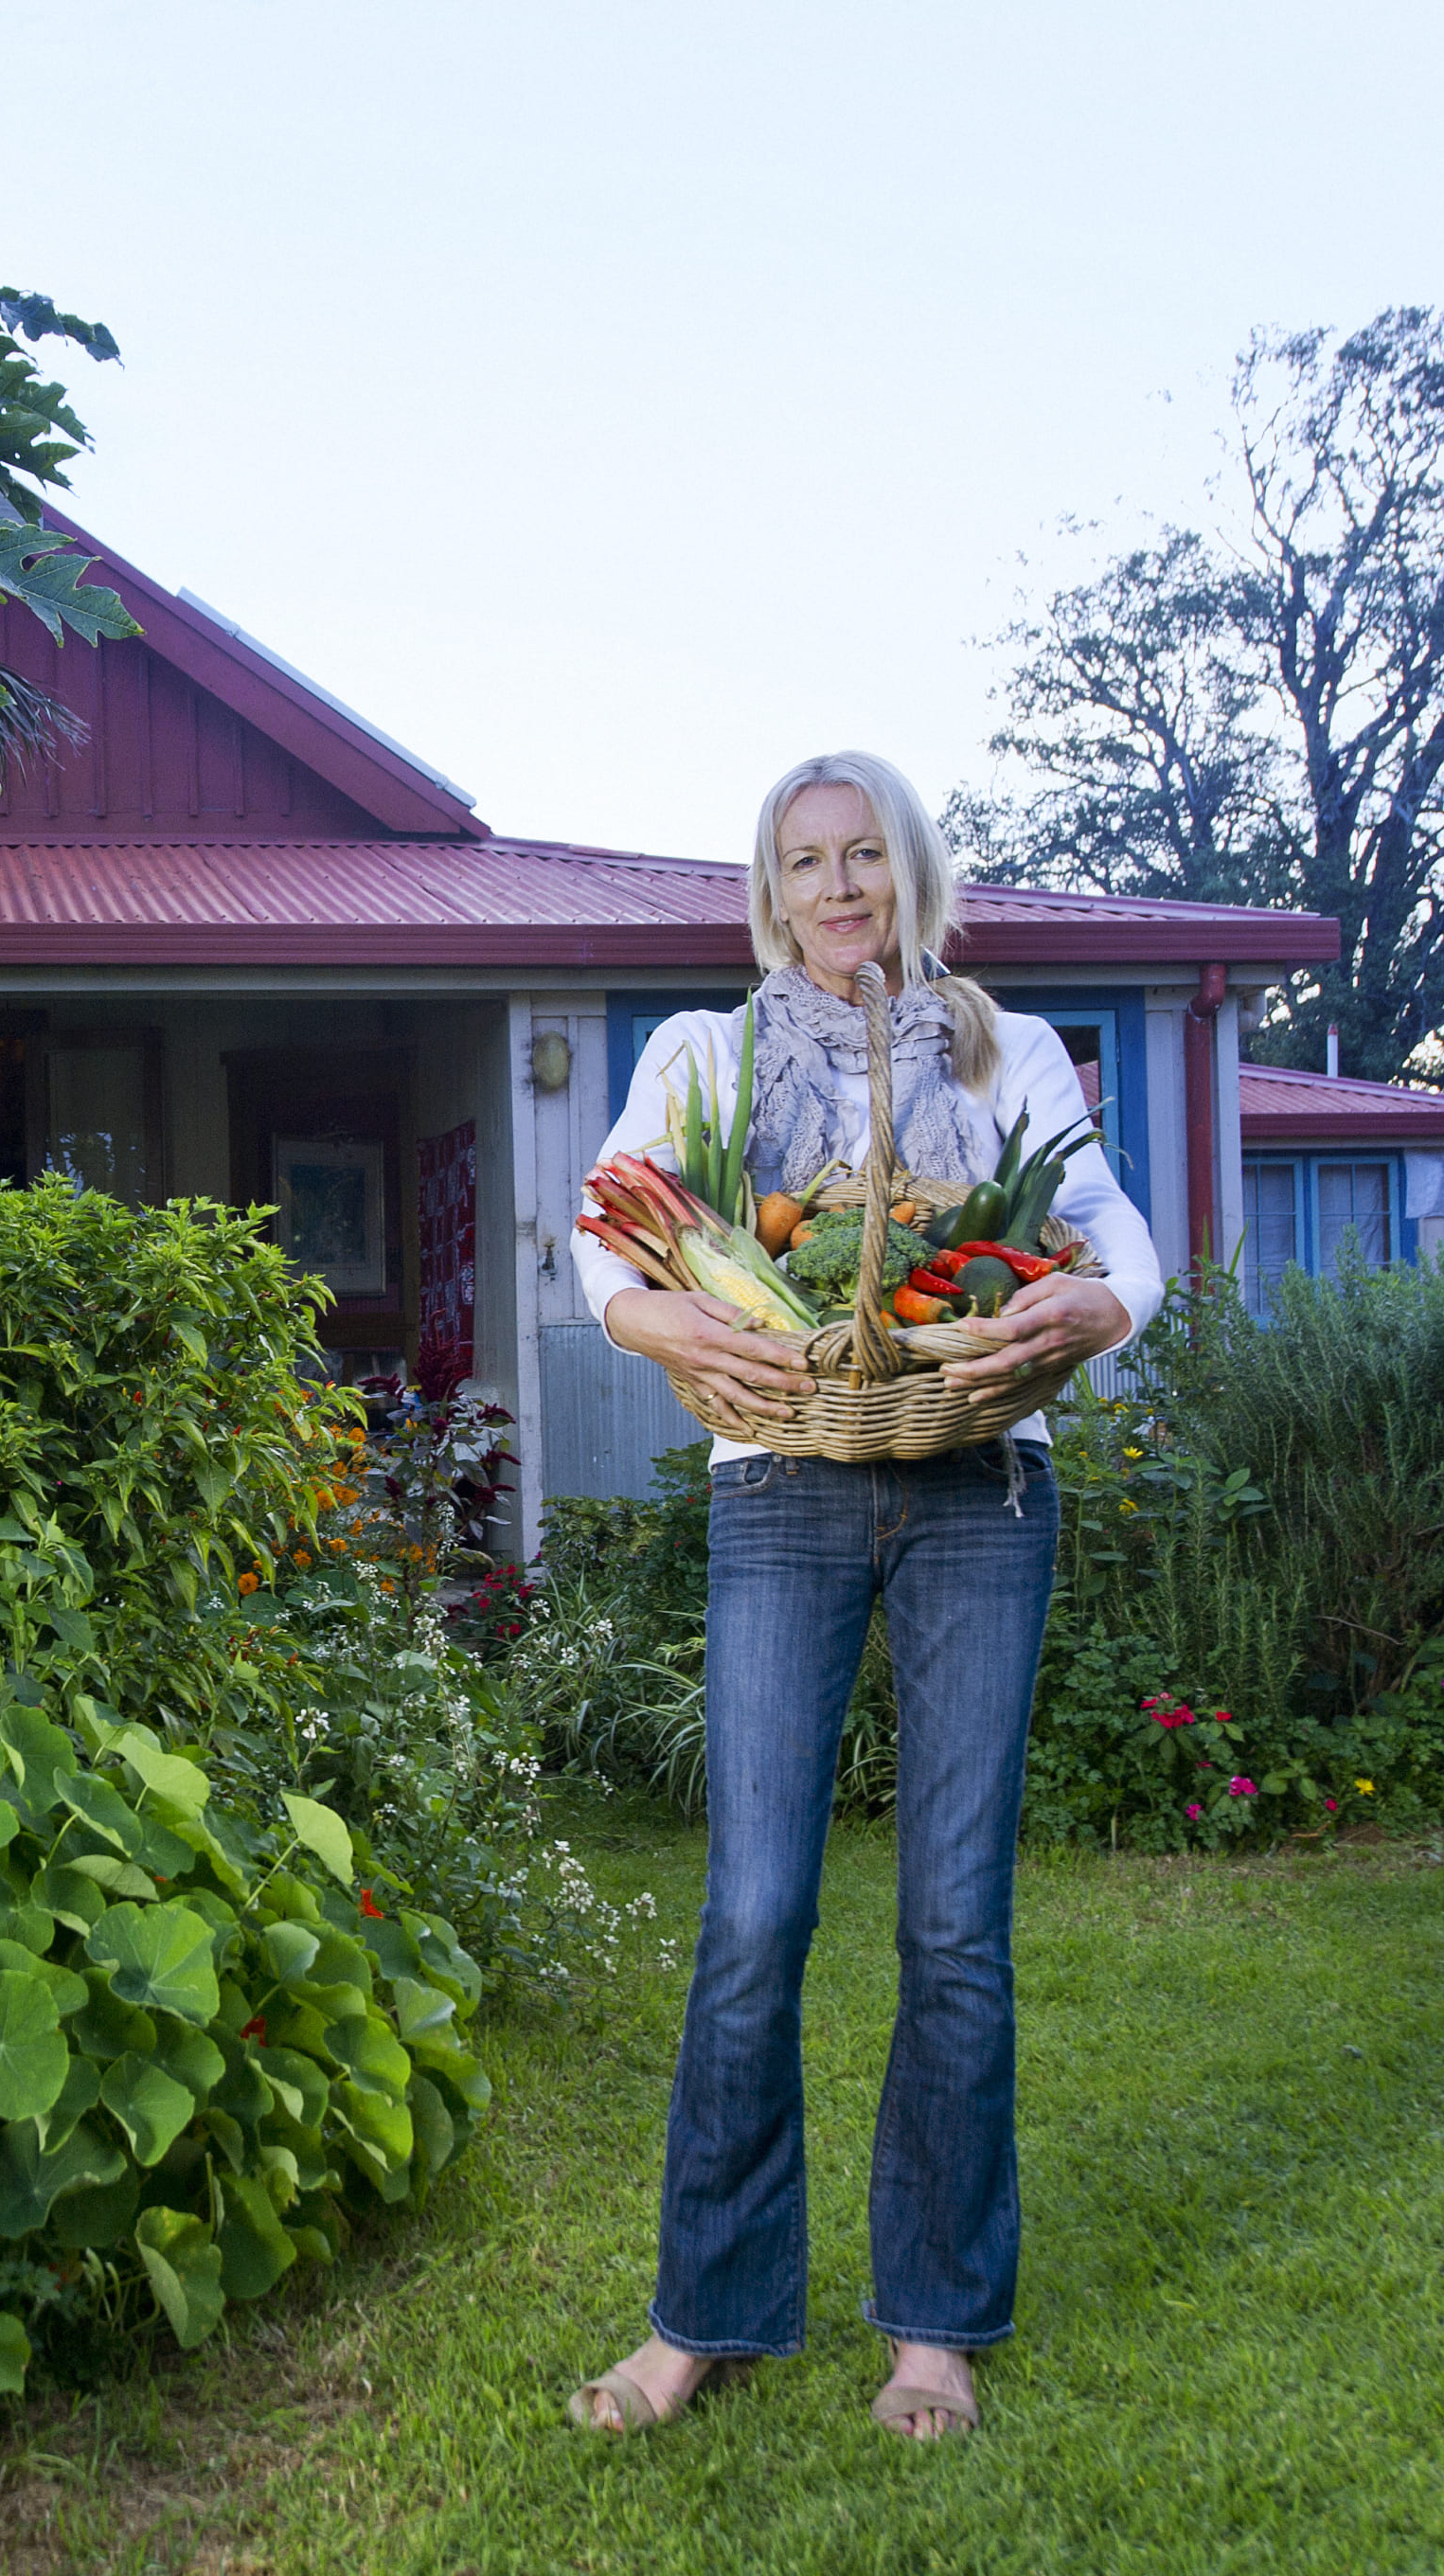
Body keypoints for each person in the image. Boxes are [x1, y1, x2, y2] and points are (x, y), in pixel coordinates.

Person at [562, 750, 1161, 2443]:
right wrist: (647, 1320)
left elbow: (1119, 1241)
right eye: (803, 862)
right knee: (754, 1914)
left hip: (980, 1484)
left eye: (863, 857)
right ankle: (705, 2314)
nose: (837, 889)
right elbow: (610, 1241)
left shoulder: (1002, 1049)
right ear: (772, 889)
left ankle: (936, 2328)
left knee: (953, 1921)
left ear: (910, 869)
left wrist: (1093, 1320)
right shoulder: (705, 1056)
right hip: (780, 1487)